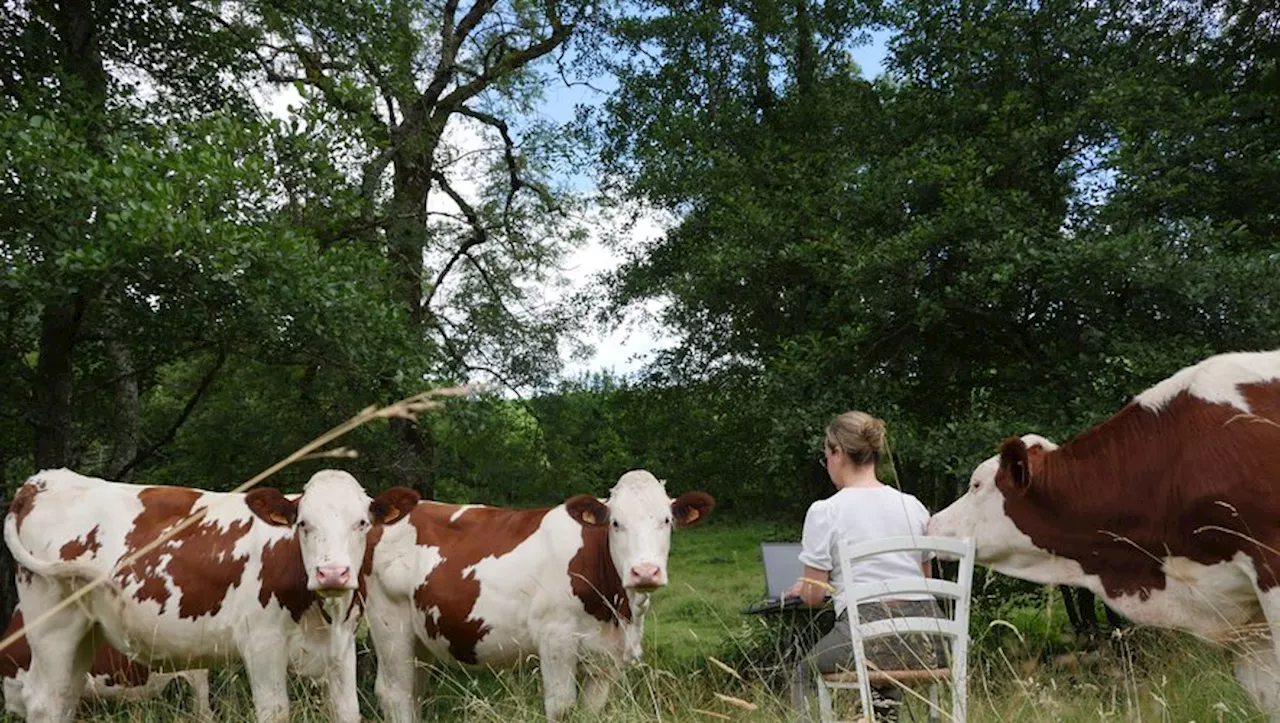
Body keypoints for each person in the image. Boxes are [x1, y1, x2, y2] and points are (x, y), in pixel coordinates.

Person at [787, 411, 942, 722]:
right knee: (881, 665)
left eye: (826, 456)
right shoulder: (913, 505)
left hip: (866, 638)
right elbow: (923, 584)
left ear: (837, 453)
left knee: (802, 673)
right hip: (931, 640)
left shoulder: (825, 511)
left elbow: (815, 597)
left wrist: (801, 588)